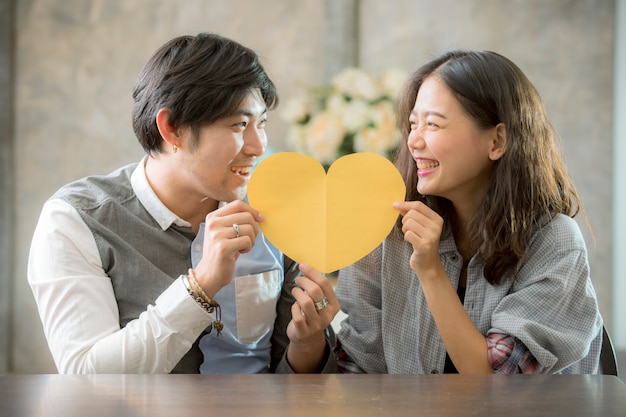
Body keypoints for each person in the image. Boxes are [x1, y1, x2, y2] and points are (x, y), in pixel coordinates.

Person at [28, 32, 339, 374]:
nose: (258, 145)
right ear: (172, 128)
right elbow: (85, 379)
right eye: (239, 124)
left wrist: (308, 343)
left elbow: (292, 383)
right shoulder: (76, 221)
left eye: (261, 123)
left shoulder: (274, 212)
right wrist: (201, 285)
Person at [334, 49, 603, 374]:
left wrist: (431, 271)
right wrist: (308, 343)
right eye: (413, 124)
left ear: (497, 141)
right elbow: (357, 369)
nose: (413, 141)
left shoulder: (554, 242)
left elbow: (500, 385)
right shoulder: (386, 229)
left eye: (433, 124)